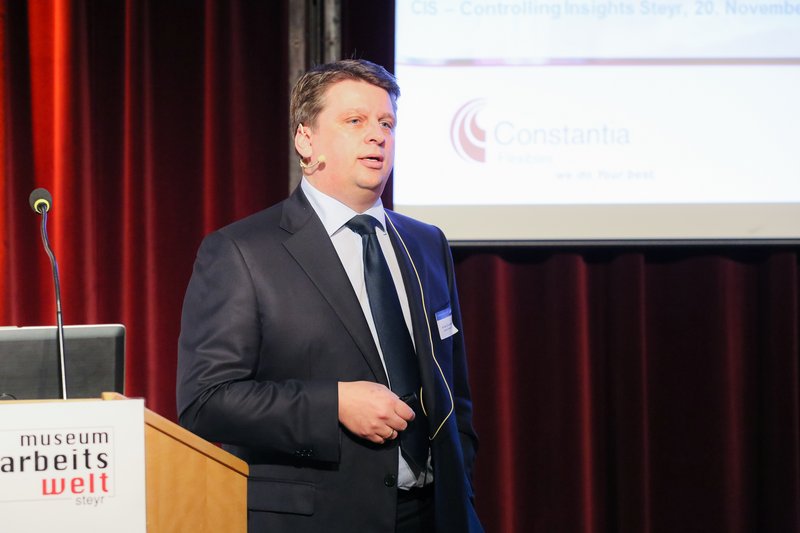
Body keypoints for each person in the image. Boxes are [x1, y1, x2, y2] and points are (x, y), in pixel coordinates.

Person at [177, 59, 482, 533]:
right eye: (354, 121)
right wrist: (333, 404)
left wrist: (461, 483)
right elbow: (205, 401)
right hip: (320, 518)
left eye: (386, 123)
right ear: (306, 139)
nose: (377, 136)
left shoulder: (426, 242)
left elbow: (453, 391)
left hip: (438, 516)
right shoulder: (242, 251)